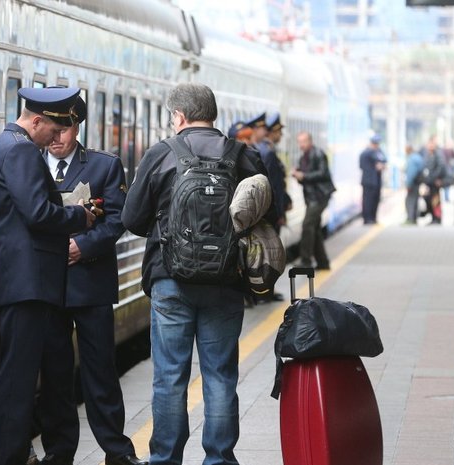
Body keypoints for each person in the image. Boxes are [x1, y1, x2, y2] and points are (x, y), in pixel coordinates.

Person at [122, 83, 276, 465]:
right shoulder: (244, 156)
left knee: (170, 376)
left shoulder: (161, 154)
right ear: (214, 114)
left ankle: (165, 459)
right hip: (225, 281)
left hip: (170, 281)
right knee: (220, 375)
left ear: (178, 116)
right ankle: (219, 459)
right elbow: (264, 216)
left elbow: (132, 219)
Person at [0, 86, 96, 465]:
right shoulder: (20, 150)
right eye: (52, 131)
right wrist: (81, 216)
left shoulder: (8, 146)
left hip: (25, 284)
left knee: (30, 377)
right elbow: (38, 213)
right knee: (17, 383)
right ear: (36, 120)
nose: (54, 140)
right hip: (26, 285)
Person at [34, 96, 146, 465]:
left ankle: (116, 449)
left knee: (99, 370)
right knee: (54, 372)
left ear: (77, 126)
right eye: (52, 129)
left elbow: (117, 219)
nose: (56, 138)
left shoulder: (104, 165)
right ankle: (59, 450)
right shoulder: (29, 163)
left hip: (90, 282)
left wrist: (83, 246)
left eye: (64, 129)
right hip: (46, 285)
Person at [247, 112, 288, 302]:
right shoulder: (267, 152)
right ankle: (265, 293)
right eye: (262, 128)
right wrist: (279, 211)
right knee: (269, 253)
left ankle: (260, 292)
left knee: (258, 253)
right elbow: (273, 185)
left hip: (261, 210)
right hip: (269, 211)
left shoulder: (259, 150)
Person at [292, 131, 335, 269]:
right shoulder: (303, 158)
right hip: (311, 197)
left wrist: (303, 176)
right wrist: (298, 176)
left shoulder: (318, 154)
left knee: (307, 225)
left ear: (310, 141)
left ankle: (306, 260)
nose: (301, 145)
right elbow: (306, 179)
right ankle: (323, 262)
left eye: (303, 142)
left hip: (320, 196)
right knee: (315, 229)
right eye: (299, 142)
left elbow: (323, 173)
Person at [359, 135, 387, 225]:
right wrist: (378, 165)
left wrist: (381, 165)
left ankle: (373, 218)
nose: (376, 146)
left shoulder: (377, 152)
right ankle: (367, 219)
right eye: (375, 144)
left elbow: (384, 160)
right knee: (368, 201)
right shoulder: (366, 153)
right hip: (368, 181)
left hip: (376, 181)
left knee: (375, 200)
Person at [421, 137, 449, 225]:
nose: (429, 146)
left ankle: (437, 218)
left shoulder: (438, 154)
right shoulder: (428, 155)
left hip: (435, 181)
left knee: (436, 200)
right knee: (428, 198)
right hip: (429, 181)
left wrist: (435, 177)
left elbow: (440, 167)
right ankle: (433, 216)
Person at [404, 144, 424, 225]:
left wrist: (408, 184)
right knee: (415, 200)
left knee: (410, 201)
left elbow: (411, 173)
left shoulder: (412, 159)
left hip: (413, 183)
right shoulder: (418, 157)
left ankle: (410, 219)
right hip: (418, 182)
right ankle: (414, 218)